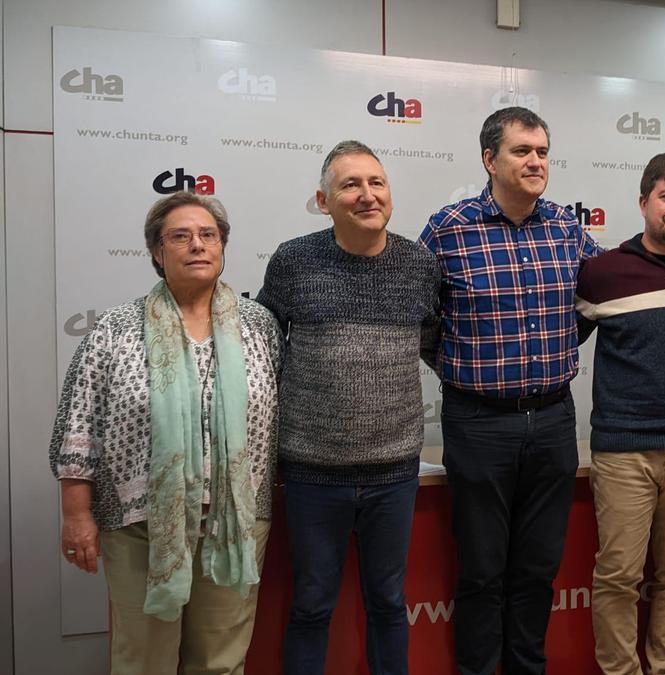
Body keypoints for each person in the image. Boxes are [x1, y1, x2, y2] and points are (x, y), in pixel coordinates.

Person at [419, 108, 665, 675]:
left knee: (537, 568)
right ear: (490, 160)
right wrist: (467, 373)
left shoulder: (566, 229)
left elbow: (632, 273)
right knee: (482, 570)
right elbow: (423, 320)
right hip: (479, 422)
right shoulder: (449, 228)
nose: (535, 162)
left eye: (542, 152)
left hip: (553, 419)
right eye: (521, 151)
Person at [50, 191, 281, 674]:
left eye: (208, 235)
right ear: (158, 252)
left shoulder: (259, 325)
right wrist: (76, 515)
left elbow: (278, 420)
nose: (197, 245)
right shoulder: (114, 329)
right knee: (144, 662)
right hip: (139, 527)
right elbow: (78, 428)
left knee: (220, 662)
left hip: (233, 525)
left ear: (222, 247)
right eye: (180, 236)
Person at [256, 140, 439, 675]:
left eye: (376, 183)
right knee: (312, 606)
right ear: (323, 199)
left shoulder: (419, 264)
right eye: (350, 185)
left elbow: (431, 342)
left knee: (388, 603)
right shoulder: (293, 261)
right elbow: (265, 347)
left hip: (394, 473)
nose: (367, 195)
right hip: (313, 473)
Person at [575, 152, 665, 675]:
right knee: (618, 575)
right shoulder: (601, 272)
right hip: (622, 449)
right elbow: (559, 344)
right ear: (643, 203)